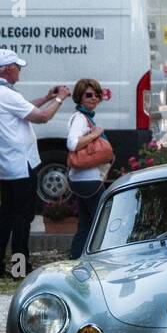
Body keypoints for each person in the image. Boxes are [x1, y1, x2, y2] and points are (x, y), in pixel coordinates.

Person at [0, 48, 70, 278]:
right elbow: (41, 118)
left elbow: (23, 107)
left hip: (7, 165)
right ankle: (20, 269)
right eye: (17, 67)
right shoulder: (7, 95)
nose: (19, 71)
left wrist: (47, 97)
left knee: (5, 217)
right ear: (8, 69)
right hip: (21, 165)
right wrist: (60, 99)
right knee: (23, 220)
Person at [66, 77, 108, 259]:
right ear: (79, 97)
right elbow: (72, 143)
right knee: (103, 223)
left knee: (85, 225)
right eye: (89, 95)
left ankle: (75, 261)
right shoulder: (80, 119)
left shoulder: (85, 118)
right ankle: (98, 260)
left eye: (97, 95)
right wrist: (95, 134)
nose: (94, 98)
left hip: (83, 180)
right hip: (89, 181)